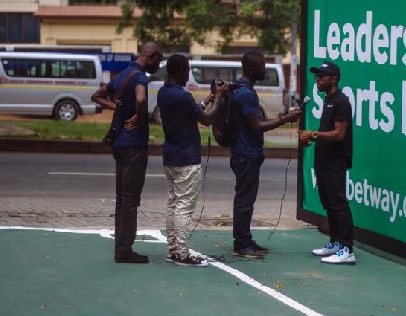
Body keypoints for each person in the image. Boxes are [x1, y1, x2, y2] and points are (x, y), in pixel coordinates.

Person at [91, 42, 163, 264]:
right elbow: (141, 98)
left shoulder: (122, 75)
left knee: (121, 199)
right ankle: (124, 250)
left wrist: (119, 109)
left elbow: (97, 96)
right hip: (134, 146)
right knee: (131, 200)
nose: (158, 66)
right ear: (149, 56)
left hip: (119, 144)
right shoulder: (140, 77)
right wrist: (141, 117)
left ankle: (120, 247)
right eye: (157, 61)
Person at [230, 51, 302, 259]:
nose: (264, 69)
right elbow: (256, 126)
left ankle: (245, 238)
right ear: (251, 69)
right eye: (262, 66)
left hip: (245, 151)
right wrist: (285, 119)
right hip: (246, 152)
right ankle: (241, 244)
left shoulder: (243, 90)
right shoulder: (245, 94)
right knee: (244, 199)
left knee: (246, 199)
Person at [158, 54, 227, 267]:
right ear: (180, 71)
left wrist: (208, 99)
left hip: (171, 155)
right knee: (184, 207)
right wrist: (221, 98)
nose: (188, 75)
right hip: (186, 158)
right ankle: (182, 254)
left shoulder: (164, 92)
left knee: (173, 204)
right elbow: (206, 119)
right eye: (187, 70)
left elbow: (193, 110)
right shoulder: (182, 95)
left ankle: (173, 250)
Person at [298, 61, 355, 265]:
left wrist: (312, 134)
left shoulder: (342, 101)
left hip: (335, 162)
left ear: (334, 79)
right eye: (316, 76)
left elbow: (339, 134)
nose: (317, 79)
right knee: (328, 203)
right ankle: (336, 242)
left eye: (322, 76)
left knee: (339, 204)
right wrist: (311, 138)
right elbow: (326, 134)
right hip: (323, 161)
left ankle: (348, 249)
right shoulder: (328, 100)